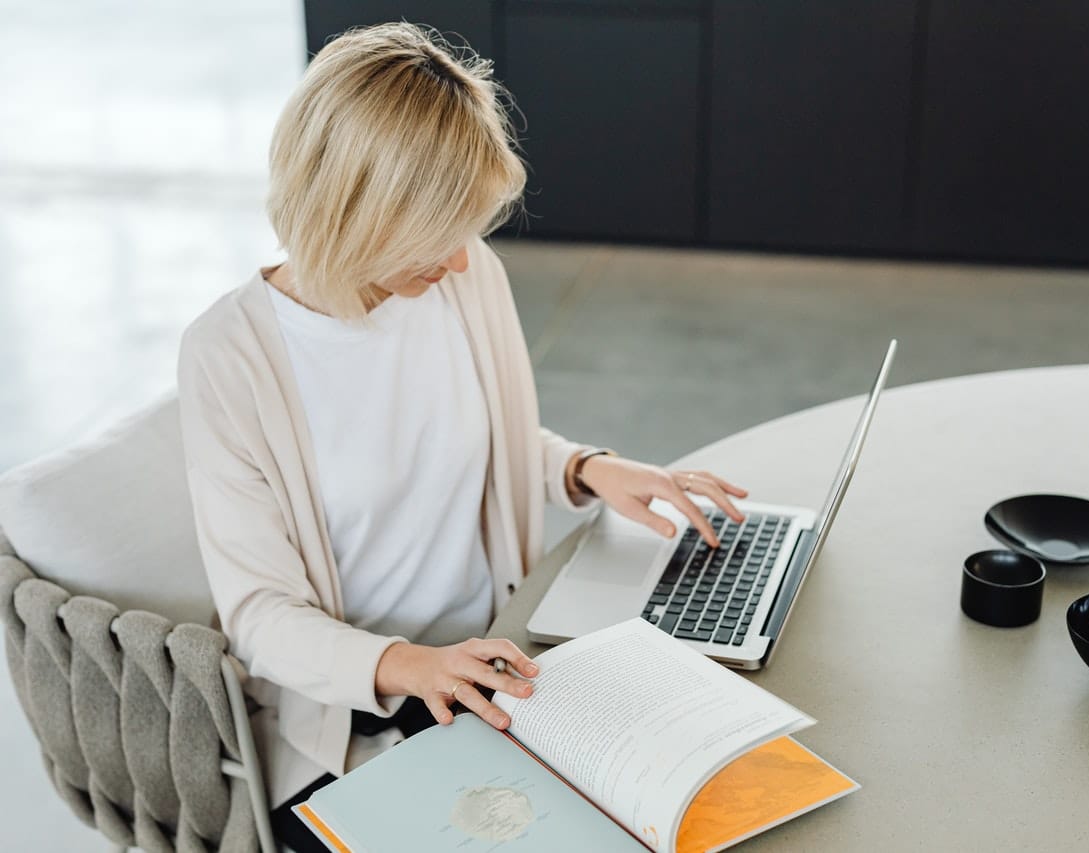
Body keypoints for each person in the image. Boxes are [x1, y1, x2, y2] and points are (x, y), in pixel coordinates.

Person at [175, 22, 747, 850]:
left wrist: (587, 469)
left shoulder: (465, 275)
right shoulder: (230, 355)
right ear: (351, 213)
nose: (456, 262)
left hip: (499, 662)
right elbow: (260, 616)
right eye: (434, 236)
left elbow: (473, 445)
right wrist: (416, 665)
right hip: (357, 713)